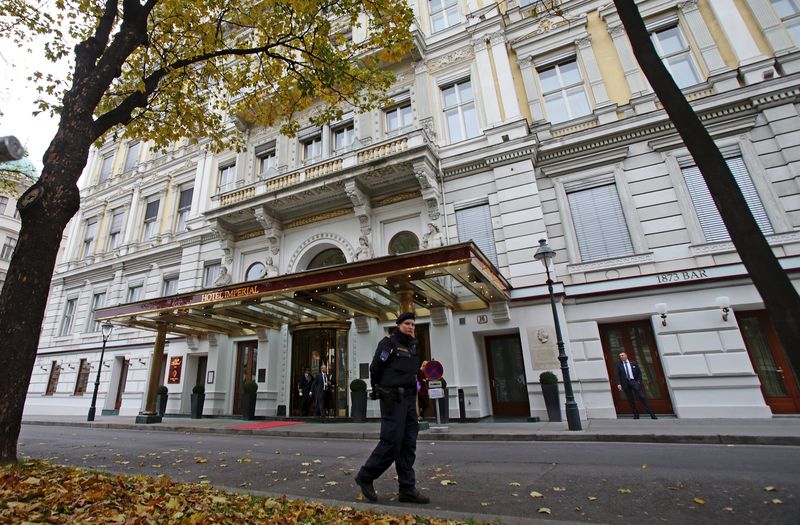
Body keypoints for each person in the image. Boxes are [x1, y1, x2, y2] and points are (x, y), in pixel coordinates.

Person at [354, 312, 430, 504]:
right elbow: (376, 367)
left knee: (408, 444)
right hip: (392, 399)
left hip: (409, 400)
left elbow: (412, 372)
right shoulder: (388, 343)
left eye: (413, 324)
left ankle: (407, 489)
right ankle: (366, 476)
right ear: (398, 325)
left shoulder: (413, 345)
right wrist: (379, 388)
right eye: (407, 323)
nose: (411, 327)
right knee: (391, 442)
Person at [615, 352, 657, 420]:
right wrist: (619, 384)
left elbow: (639, 373)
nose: (621, 357)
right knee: (631, 399)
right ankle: (636, 414)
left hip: (634, 382)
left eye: (622, 355)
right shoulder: (619, 365)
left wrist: (638, 382)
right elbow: (617, 375)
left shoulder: (633, 363)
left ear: (626, 355)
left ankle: (652, 414)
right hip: (625, 383)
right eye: (620, 356)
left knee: (642, 397)